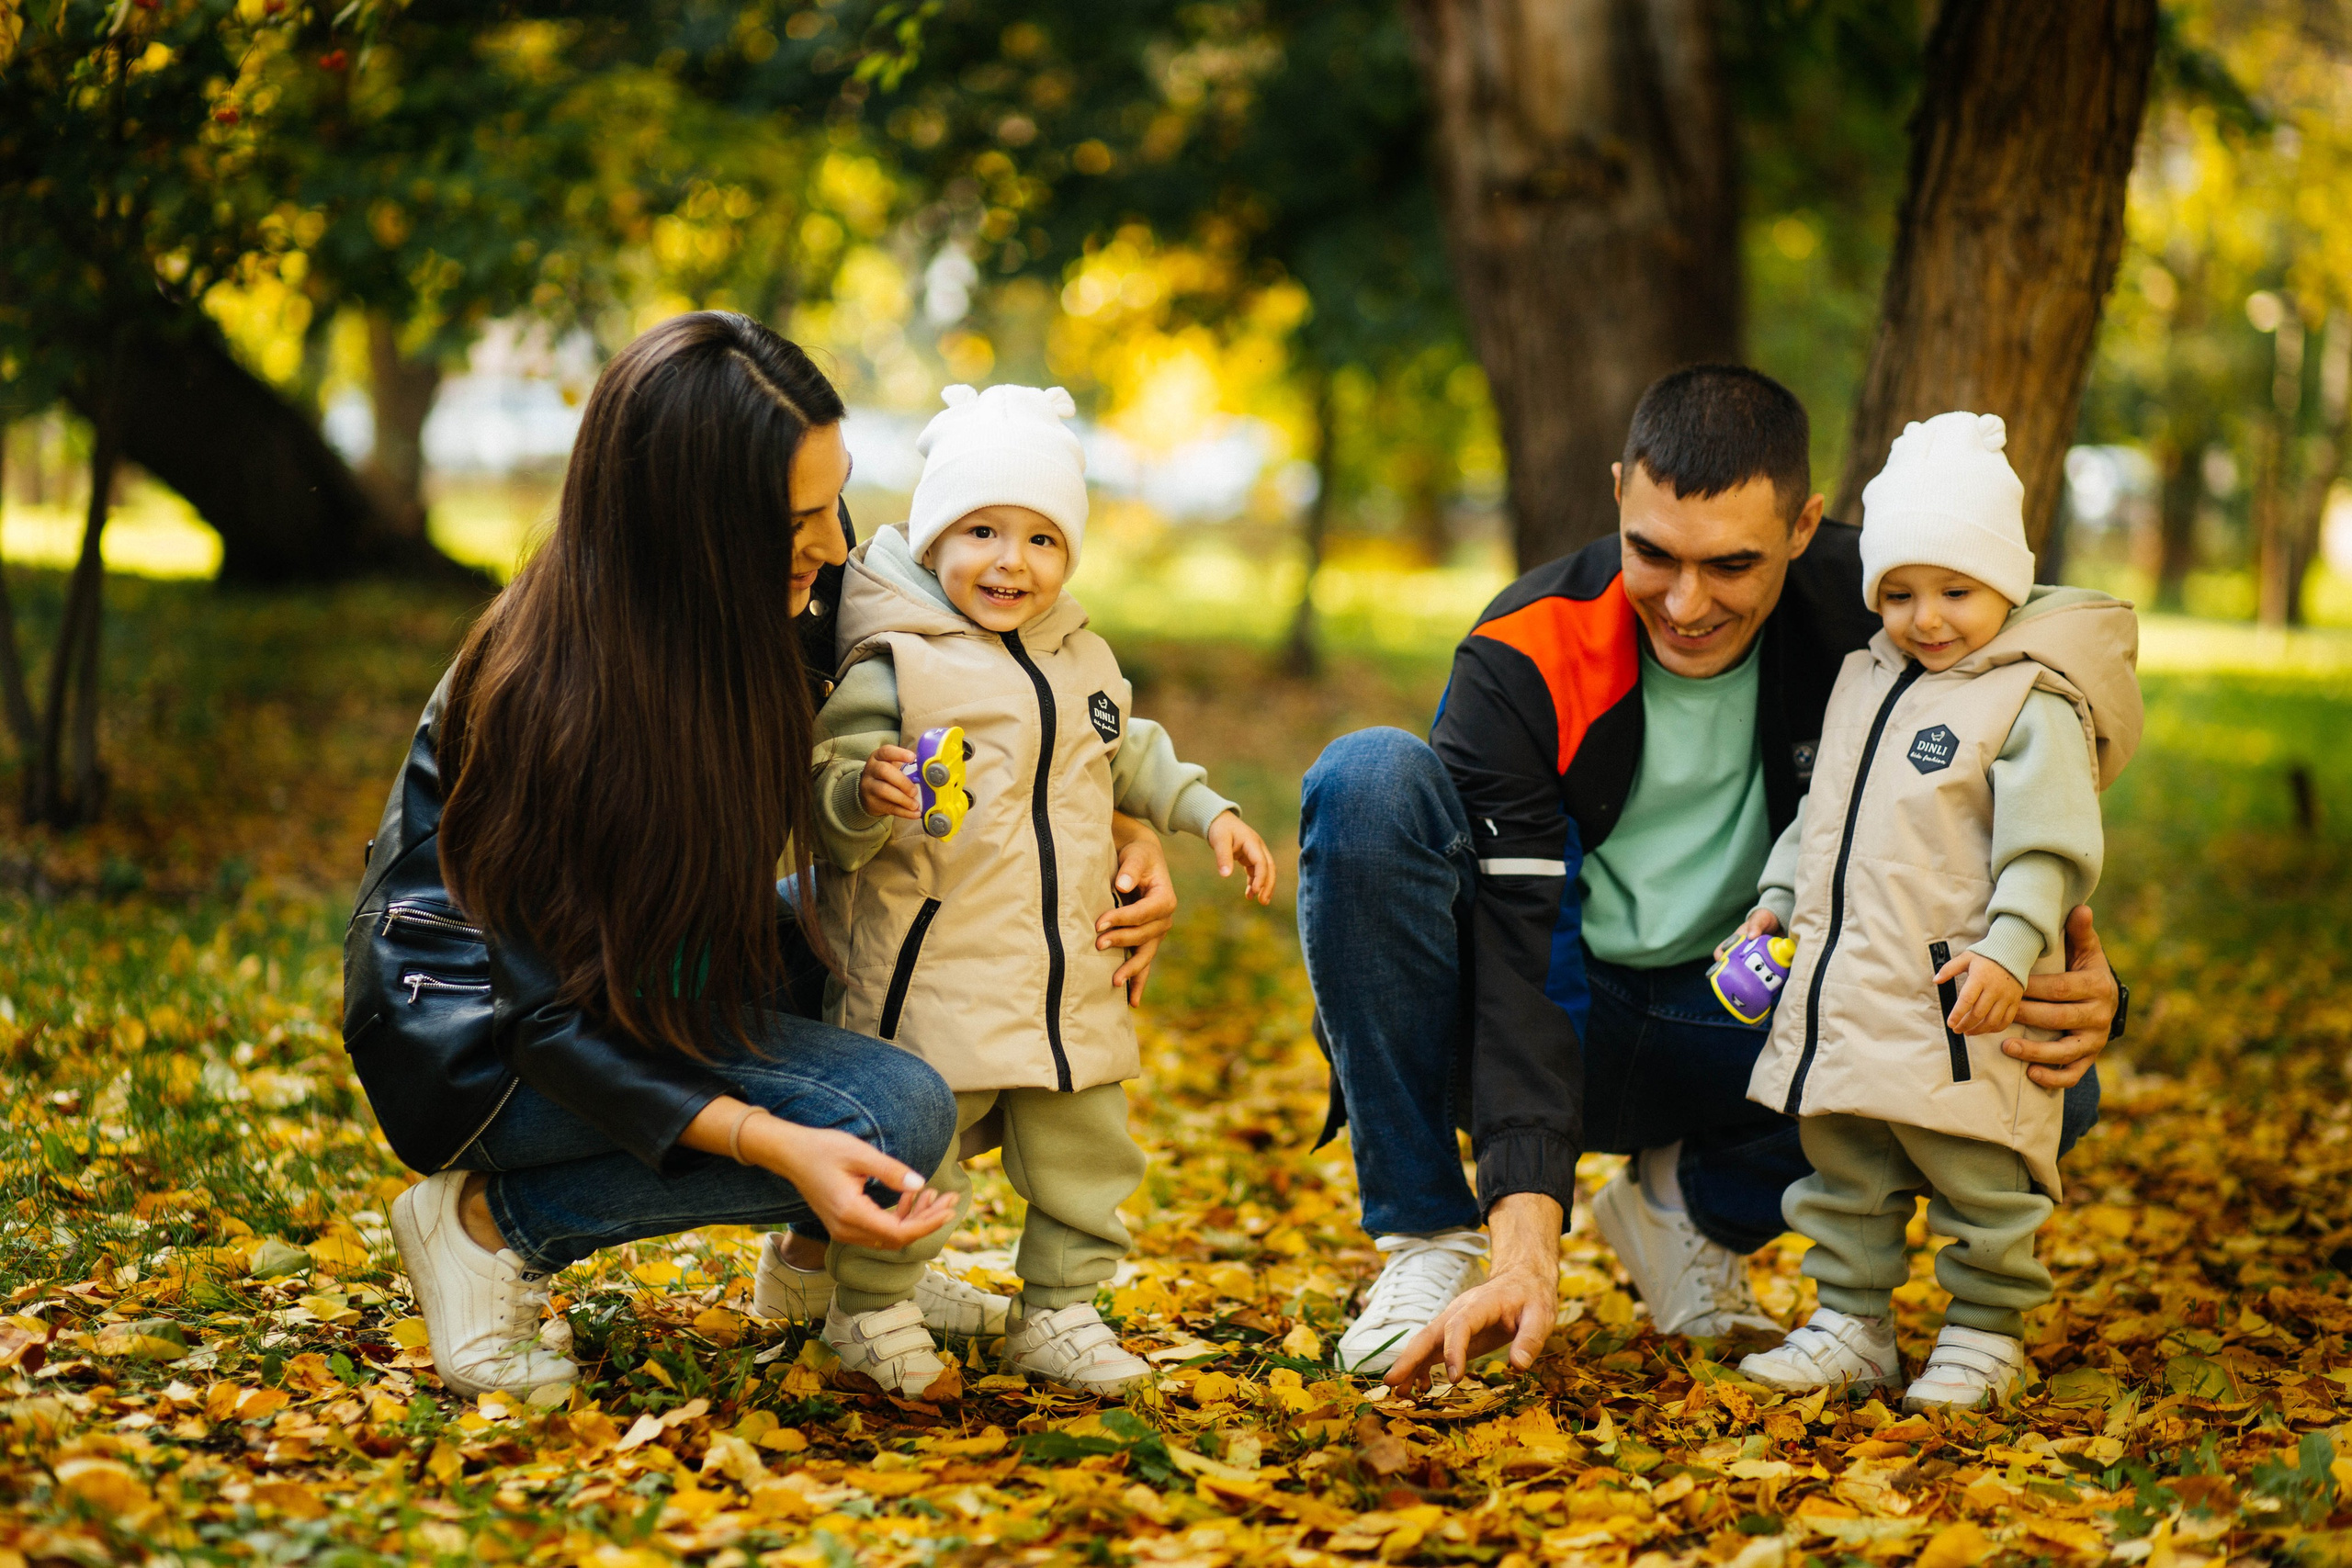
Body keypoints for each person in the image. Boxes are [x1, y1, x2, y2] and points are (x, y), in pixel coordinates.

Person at [348, 316, 1177, 1398]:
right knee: (895, 1111)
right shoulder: (553, 695)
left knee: (961, 967)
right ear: (688, 526)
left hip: (666, 960)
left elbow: (1008, 697)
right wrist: (778, 1146)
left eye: (837, 499)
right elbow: (548, 1016)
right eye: (795, 519)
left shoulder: (788, 592)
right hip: (482, 1040)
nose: (836, 544)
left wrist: (1125, 830)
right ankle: (487, 1225)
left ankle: (823, 1269)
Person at [1297, 366, 2129, 1386]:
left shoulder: (1885, 620)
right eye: (1653, 553)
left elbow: (2020, 744)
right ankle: (1428, 1240)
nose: (1686, 604)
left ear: (1804, 525)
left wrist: (2088, 989)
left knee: (2059, 1089)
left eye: (1732, 564)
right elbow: (1521, 958)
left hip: (1744, 1019)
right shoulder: (1528, 645)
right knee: (1367, 779)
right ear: (1617, 495)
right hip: (1527, 1017)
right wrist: (1527, 1255)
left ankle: (1691, 1208)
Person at [778, 383, 1277, 1400]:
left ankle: (1061, 1308)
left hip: (1064, 972)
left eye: (1044, 539)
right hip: (929, 971)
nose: (1013, 561)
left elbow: (1128, 754)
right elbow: (828, 799)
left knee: (1088, 1152)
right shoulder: (894, 660)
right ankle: (866, 1306)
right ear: (933, 538)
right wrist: (865, 790)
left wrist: (1209, 813)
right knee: (916, 1151)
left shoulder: (1079, 658)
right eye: (983, 530)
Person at [1731, 412, 2139, 1410]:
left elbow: (2048, 848)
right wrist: (1777, 901)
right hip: (1850, 986)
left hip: (1964, 998)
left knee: (1981, 1175)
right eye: (1900, 593)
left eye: (1956, 590)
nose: (1926, 618)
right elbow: (1821, 813)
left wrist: (2010, 949)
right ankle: (1851, 1323)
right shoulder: (1864, 678)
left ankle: (1986, 1331)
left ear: (2005, 579)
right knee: (1843, 1169)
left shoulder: (2026, 700)